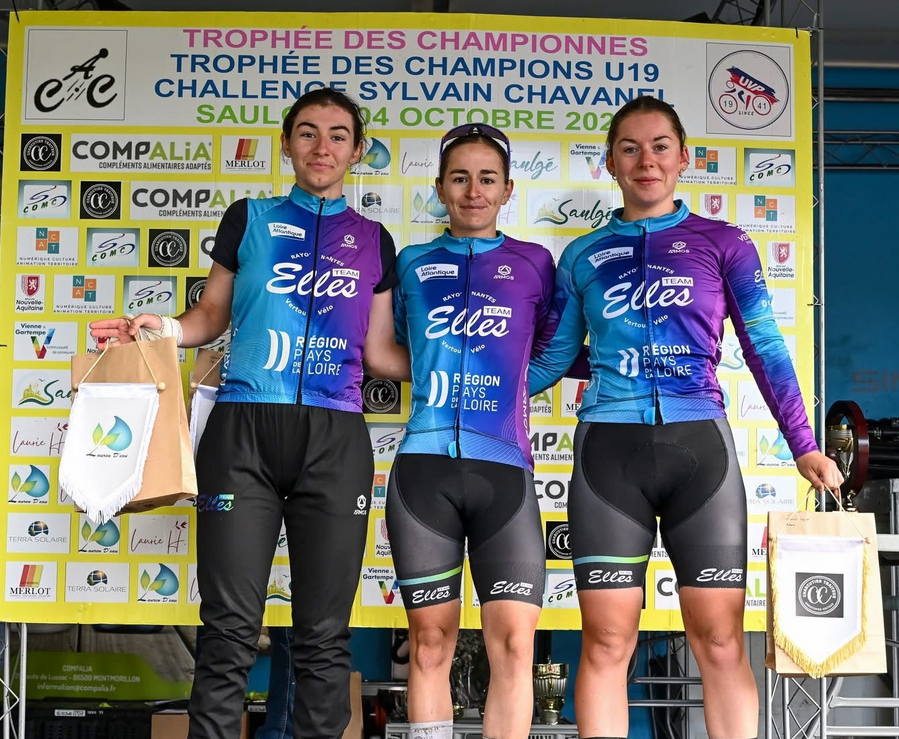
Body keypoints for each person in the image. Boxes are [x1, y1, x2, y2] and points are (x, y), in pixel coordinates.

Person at [90, 87, 408, 739]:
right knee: (229, 627)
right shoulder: (249, 218)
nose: (322, 147)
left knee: (324, 632)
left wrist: (470, 363)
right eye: (308, 133)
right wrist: (162, 329)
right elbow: (211, 314)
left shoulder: (376, 240)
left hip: (335, 437)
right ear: (287, 143)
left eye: (338, 135)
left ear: (357, 151)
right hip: (242, 434)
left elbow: (379, 353)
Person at [528, 96, 843, 739]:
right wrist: (449, 381)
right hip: (608, 453)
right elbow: (551, 359)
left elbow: (764, 346)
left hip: (700, 449)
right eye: (630, 148)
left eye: (660, 146)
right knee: (606, 640)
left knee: (720, 639)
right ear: (610, 162)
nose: (646, 160)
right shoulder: (583, 256)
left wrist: (804, 443)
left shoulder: (725, 243)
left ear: (684, 158)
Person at [386, 124, 556, 739]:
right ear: (440, 188)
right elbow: (394, 348)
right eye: (460, 178)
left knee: (513, 645)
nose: (473, 191)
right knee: (430, 642)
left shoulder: (536, 263)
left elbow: (555, 349)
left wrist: (510, 385)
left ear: (508, 190)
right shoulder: (411, 263)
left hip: (503, 468)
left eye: (487, 179)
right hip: (424, 470)